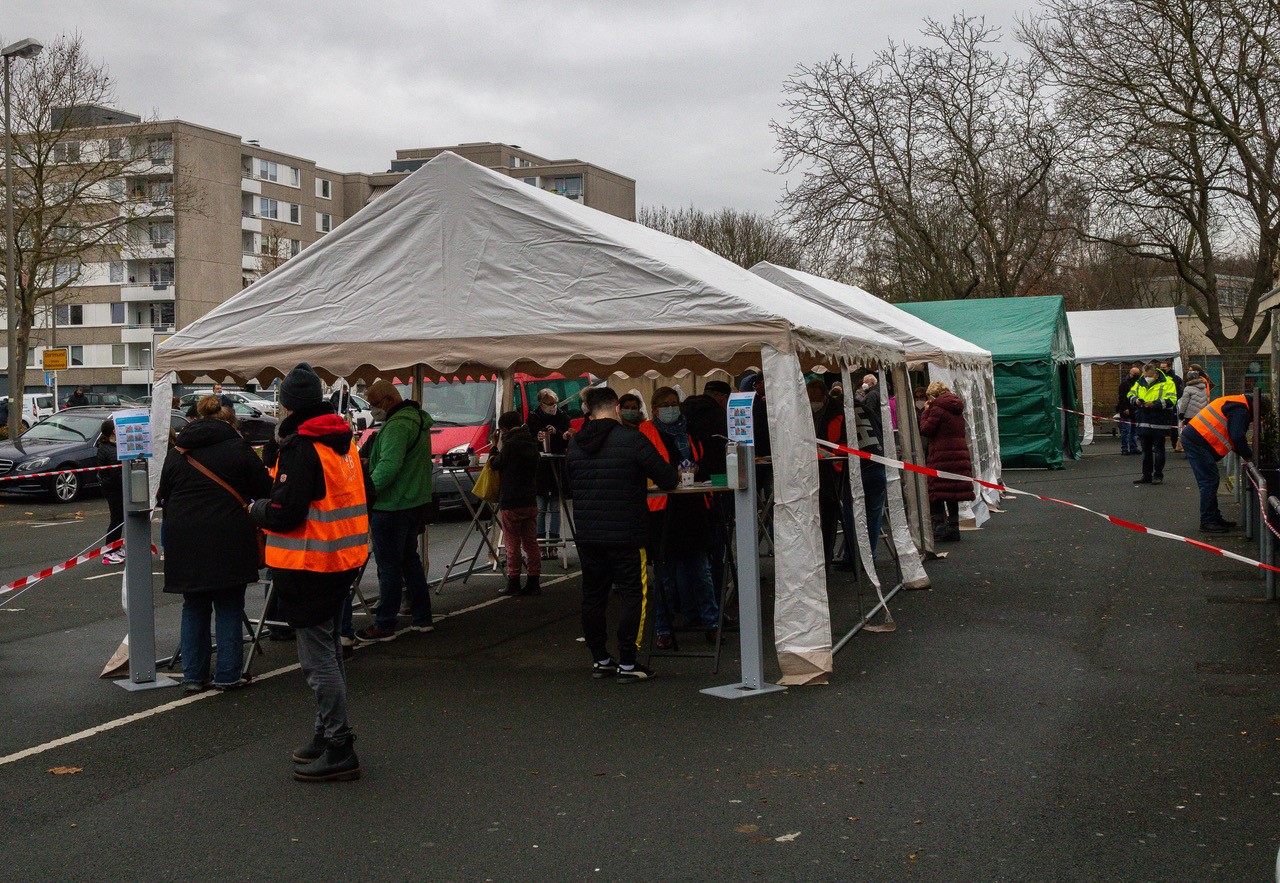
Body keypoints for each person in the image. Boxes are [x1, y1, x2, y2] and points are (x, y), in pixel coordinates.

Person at [250, 363, 370, 782]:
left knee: (317, 661)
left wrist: (256, 509)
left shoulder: (302, 448)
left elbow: (285, 512)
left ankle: (339, 744)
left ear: (287, 407)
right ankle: (326, 734)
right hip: (342, 557)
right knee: (329, 650)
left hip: (309, 563)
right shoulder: (341, 440)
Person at [158, 396, 273, 693]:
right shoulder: (239, 449)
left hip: (184, 537)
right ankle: (228, 675)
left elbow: (163, 495)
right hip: (228, 534)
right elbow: (265, 489)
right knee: (229, 604)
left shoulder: (178, 452)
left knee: (194, 605)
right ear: (231, 424)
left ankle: (193, 676)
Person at [567, 386, 678, 682]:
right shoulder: (632, 439)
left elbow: (570, 484)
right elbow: (667, 477)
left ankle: (600, 659)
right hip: (627, 532)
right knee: (633, 595)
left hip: (589, 533)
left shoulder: (575, 444)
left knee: (593, 597)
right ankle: (628, 662)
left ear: (589, 411)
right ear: (617, 408)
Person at [355, 378, 434, 642]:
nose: (372, 409)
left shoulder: (397, 426)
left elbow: (388, 466)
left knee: (389, 567)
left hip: (391, 505)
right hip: (414, 501)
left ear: (389, 400)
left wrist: (366, 492)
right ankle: (422, 618)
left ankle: (385, 624)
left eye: (374, 404)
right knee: (410, 562)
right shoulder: (418, 420)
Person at [641, 386, 719, 650]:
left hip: (693, 507)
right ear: (655, 409)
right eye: (665, 404)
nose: (671, 408)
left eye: (674, 403)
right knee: (665, 576)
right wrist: (669, 475)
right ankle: (663, 628)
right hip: (662, 510)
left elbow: (707, 460)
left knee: (701, 571)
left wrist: (698, 469)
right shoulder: (645, 433)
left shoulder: (690, 430)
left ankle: (711, 623)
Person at [1182, 393, 1271, 532]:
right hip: (1197, 441)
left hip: (1196, 439)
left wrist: (1244, 452)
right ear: (1257, 408)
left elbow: (1234, 435)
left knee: (1210, 480)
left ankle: (1214, 518)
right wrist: (1249, 456)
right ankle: (1208, 521)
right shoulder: (1241, 409)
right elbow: (1237, 436)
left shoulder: (1238, 403)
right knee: (1209, 481)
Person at [489, 410, 541, 596]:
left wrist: (494, 446)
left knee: (512, 544)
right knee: (531, 543)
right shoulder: (532, 442)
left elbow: (495, 464)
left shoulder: (509, 445)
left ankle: (514, 581)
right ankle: (534, 580)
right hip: (530, 499)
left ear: (504, 429)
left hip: (511, 500)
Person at [917, 382, 973, 543]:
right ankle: (954, 528)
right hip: (958, 453)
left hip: (941, 455)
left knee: (937, 491)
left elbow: (926, 430)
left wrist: (925, 412)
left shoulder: (936, 409)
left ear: (932, 395)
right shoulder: (956, 407)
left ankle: (940, 527)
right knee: (952, 492)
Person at [807, 378, 848, 564]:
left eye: (815, 398)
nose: (812, 402)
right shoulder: (809, 410)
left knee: (829, 509)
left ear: (824, 395)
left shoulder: (836, 411)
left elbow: (839, 441)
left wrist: (830, 454)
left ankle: (826, 551)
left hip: (831, 467)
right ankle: (819, 551)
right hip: (813, 465)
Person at [526, 389, 573, 549]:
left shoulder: (563, 417)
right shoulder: (533, 418)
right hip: (540, 469)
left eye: (555, 403)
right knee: (540, 508)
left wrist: (558, 433)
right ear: (541, 404)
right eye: (550, 404)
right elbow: (528, 441)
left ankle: (553, 542)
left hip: (558, 467)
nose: (553, 407)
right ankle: (540, 542)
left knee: (555, 507)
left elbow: (567, 440)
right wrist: (537, 438)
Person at [1129, 361, 1177, 485]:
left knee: (1159, 450)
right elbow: (1131, 394)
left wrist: (1154, 404)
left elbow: (1172, 400)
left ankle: (1158, 475)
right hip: (1144, 420)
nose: (1147, 378)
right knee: (1146, 451)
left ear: (1155, 374)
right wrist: (1136, 401)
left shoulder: (1168, 383)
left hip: (1159, 421)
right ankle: (1146, 475)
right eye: (1145, 375)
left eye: (1149, 376)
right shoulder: (1140, 382)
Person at [97, 418, 125, 565]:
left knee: (120, 518)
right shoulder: (108, 449)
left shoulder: (113, 446)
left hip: (115, 488)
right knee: (116, 519)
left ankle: (116, 547)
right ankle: (109, 552)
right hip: (114, 489)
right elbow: (115, 473)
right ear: (114, 431)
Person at [1177, 371, 1210, 441]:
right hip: (1201, 414)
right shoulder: (1204, 388)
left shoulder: (1188, 388)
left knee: (1190, 434)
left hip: (1190, 415)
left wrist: (1181, 413)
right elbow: (1206, 400)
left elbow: (1184, 403)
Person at [1159, 361, 1185, 448]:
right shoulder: (1158, 378)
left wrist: (1172, 400)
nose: (1162, 369)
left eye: (1164, 367)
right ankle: (1159, 445)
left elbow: (1180, 392)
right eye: (1161, 367)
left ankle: (1175, 444)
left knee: (1173, 426)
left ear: (1169, 368)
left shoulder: (1176, 379)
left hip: (1171, 406)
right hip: (1160, 406)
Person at [1116, 365, 1141, 455]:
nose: (1136, 375)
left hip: (1135, 410)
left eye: (1138, 373)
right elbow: (1122, 398)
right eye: (1135, 374)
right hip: (1126, 410)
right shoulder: (1124, 384)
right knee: (1126, 431)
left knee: (1134, 431)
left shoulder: (1139, 384)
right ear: (1130, 374)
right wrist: (1124, 408)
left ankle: (1133, 447)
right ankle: (1124, 448)